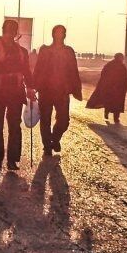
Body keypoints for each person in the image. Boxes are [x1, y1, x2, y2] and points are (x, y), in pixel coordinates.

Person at [0, 19, 34, 170]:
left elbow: (27, 71)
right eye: (8, 29)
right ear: (3, 30)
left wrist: (30, 88)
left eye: (13, 30)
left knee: (15, 126)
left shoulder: (21, 52)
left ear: (16, 32)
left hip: (16, 91)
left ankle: (12, 160)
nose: (10, 33)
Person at [32, 25, 83, 158]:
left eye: (62, 33)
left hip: (62, 91)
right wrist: (32, 87)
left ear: (65, 35)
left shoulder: (69, 51)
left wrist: (76, 89)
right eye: (57, 32)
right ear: (53, 34)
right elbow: (38, 69)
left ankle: (55, 139)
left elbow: (74, 71)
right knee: (45, 120)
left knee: (64, 121)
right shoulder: (45, 50)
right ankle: (47, 146)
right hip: (46, 90)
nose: (60, 35)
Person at [86, 53, 127, 123]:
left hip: (112, 88)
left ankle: (110, 114)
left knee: (110, 102)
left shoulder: (110, 65)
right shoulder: (121, 66)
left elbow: (103, 74)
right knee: (116, 103)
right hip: (116, 89)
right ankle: (115, 117)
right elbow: (126, 77)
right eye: (122, 58)